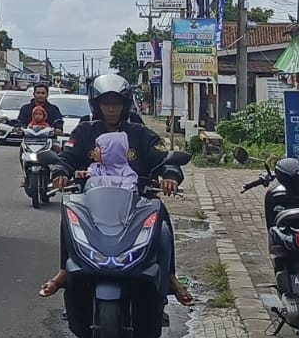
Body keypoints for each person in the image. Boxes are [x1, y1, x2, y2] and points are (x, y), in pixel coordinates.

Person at [38, 72, 194, 305]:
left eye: (116, 103)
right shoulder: (84, 131)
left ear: (125, 105)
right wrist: (60, 173)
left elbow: (163, 160)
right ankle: (64, 271)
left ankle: (169, 276)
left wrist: (170, 175)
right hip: (91, 201)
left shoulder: (141, 133)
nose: (111, 109)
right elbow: (66, 158)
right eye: (106, 103)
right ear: (97, 105)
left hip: (136, 201)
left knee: (162, 227)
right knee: (68, 220)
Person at [11, 83, 64, 188]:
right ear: (34, 94)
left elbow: (59, 121)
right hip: (29, 140)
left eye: (43, 93)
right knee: (22, 152)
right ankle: (26, 177)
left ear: (47, 94)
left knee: (59, 152)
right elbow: (20, 121)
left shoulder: (53, 109)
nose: (40, 95)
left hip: (49, 140)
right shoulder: (26, 108)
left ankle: (56, 177)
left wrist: (58, 128)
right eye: (38, 93)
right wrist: (17, 127)